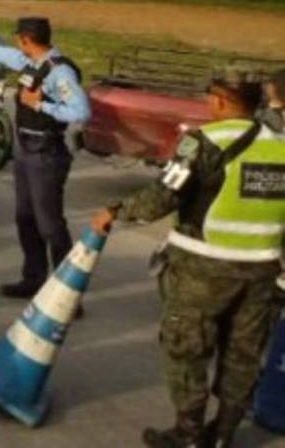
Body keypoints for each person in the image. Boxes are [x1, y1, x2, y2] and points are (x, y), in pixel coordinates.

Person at [91, 70, 285, 448]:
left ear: (219, 100)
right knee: (243, 355)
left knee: (187, 350)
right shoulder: (280, 146)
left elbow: (162, 197)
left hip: (203, 269)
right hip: (261, 273)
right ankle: (224, 434)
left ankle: (189, 433)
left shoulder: (203, 142)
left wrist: (115, 211)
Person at [0, 17, 89, 298]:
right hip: (25, 148)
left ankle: (66, 294)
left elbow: (80, 111)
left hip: (46, 152)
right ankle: (33, 279)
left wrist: (41, 105)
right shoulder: (32, 62)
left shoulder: (59, 72)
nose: (17, 44)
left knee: (50, 225)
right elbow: (6, 55)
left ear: (26, 40)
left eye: (19, 39)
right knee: (25, 219)